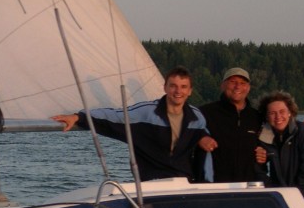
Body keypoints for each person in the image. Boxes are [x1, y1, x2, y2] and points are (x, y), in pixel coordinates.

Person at [53, 66, 214, 181]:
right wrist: (79, 117)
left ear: (190, 91)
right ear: (165, 87)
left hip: (183, 183)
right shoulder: (145, 112)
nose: (178, 91)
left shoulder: (196, 117)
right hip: (151, 183)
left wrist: (203, 137)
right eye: (173, 86)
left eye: (183, 87)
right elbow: (113, 116)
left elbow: (204, 138)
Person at [253, 91, 304, 206]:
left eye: (282, 111)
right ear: (266, 116)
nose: (278, 117)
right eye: (272, 113)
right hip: (277, 200)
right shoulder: (263, 139)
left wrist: (293, 195)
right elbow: (258, 170)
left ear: (290, 112)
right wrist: (273, 192)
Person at [199, 67, 261, 182]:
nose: (237, 86)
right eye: (233, 82)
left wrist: (264, 153)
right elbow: (186, 135)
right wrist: (200, 138)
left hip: (248, 186)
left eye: (242, 83)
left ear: (248, 88)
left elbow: (266, 146)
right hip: (213, 185)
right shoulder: (205, 113)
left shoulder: (257, 117)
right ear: (223, 85)